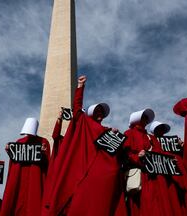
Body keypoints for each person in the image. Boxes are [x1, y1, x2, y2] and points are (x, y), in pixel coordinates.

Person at [41, 75, 127, 216]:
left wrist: (114, 134)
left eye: (102, 112)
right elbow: (77, 107)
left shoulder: (107, 130)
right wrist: (80, 87)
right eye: (97, 111)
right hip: (85, 168)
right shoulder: (83, 122)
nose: (100, 113)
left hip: (103, 170)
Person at [123, 109, 184, 215]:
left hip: (157, 176)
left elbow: (160, 152)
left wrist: (171, 158)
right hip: (143, 175)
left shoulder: (151, 137)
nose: (145, 120)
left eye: (146, 118)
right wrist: (137, 156)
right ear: (136, 119)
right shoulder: (129, 133)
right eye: (143, 117)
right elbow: (126, 154)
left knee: (161, 203)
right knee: (146, 204)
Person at [0, 117, 50, 216]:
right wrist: (10, 151)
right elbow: (14, 162)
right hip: (20, 179)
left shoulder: (44, 142)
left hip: (35, 180)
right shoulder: (19, 141)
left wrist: (43, 152)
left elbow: (48, 164)